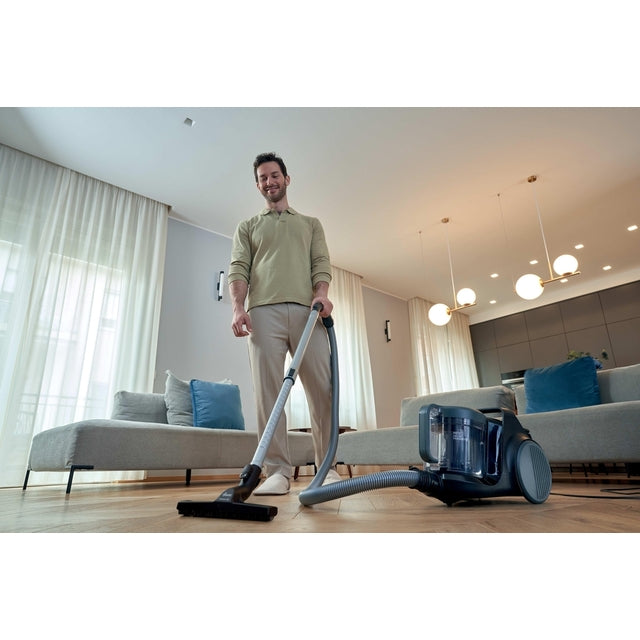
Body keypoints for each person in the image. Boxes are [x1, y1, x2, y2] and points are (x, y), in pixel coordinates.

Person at [228, 152, 340, 495]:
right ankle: (277, 471)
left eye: (274, 175)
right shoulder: (248, 226)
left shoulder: (310, 224)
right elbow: (239, 267)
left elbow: (320, 262)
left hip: (309, 314)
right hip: (263, 313)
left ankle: (327, 468)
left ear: (286, 179)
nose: (269, 182)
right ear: (258, 185)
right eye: (263, 178)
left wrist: (321, 294)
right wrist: (238, 307)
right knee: (268, 394)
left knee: (323, 391)